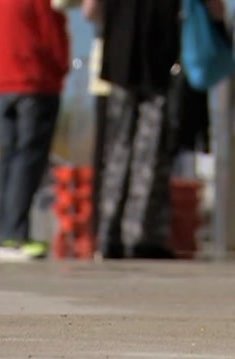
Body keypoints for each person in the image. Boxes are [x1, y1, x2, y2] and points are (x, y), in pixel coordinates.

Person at [84, 0, 227, 259]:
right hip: (161, 55)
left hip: (120, 53)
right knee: (151, 151)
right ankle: (140, 235)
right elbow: (215, 6)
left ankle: (109, 235)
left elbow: (91, 10)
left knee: (117, 150)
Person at [0, 0, 71, 262]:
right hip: (36, 80)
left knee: (9, 159)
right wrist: (61, 67)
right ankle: (16, 235)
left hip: (5, 81)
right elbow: (51, 34)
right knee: (29, 159)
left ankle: (4, 234)